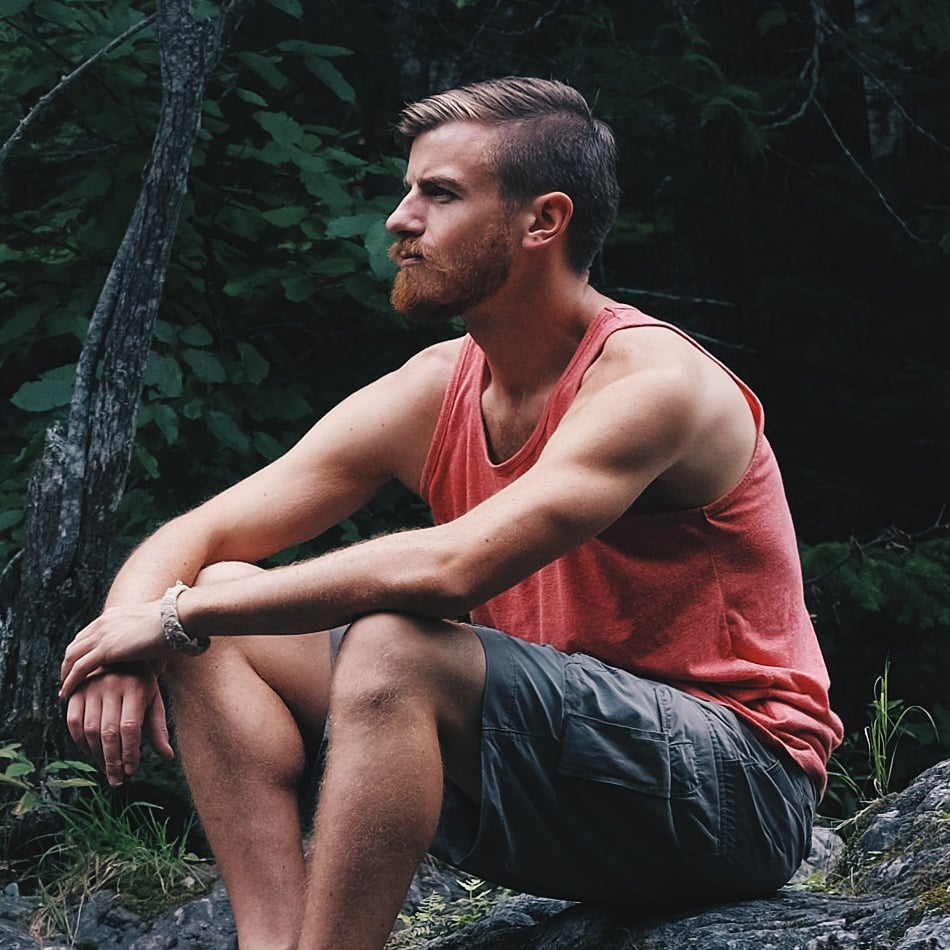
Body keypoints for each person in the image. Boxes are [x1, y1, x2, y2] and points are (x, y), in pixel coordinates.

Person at [60, 76, 843, 950]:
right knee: (218, 605)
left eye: (439, 194)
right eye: (409, 190)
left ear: (543, 221)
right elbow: (196, 535)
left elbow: (452, 569)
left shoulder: (653, 383)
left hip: (738, 794)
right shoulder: (436, 387)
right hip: (558, 782)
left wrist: (174, 616)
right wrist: (126, 636)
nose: (400, 219)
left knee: (385, 641)